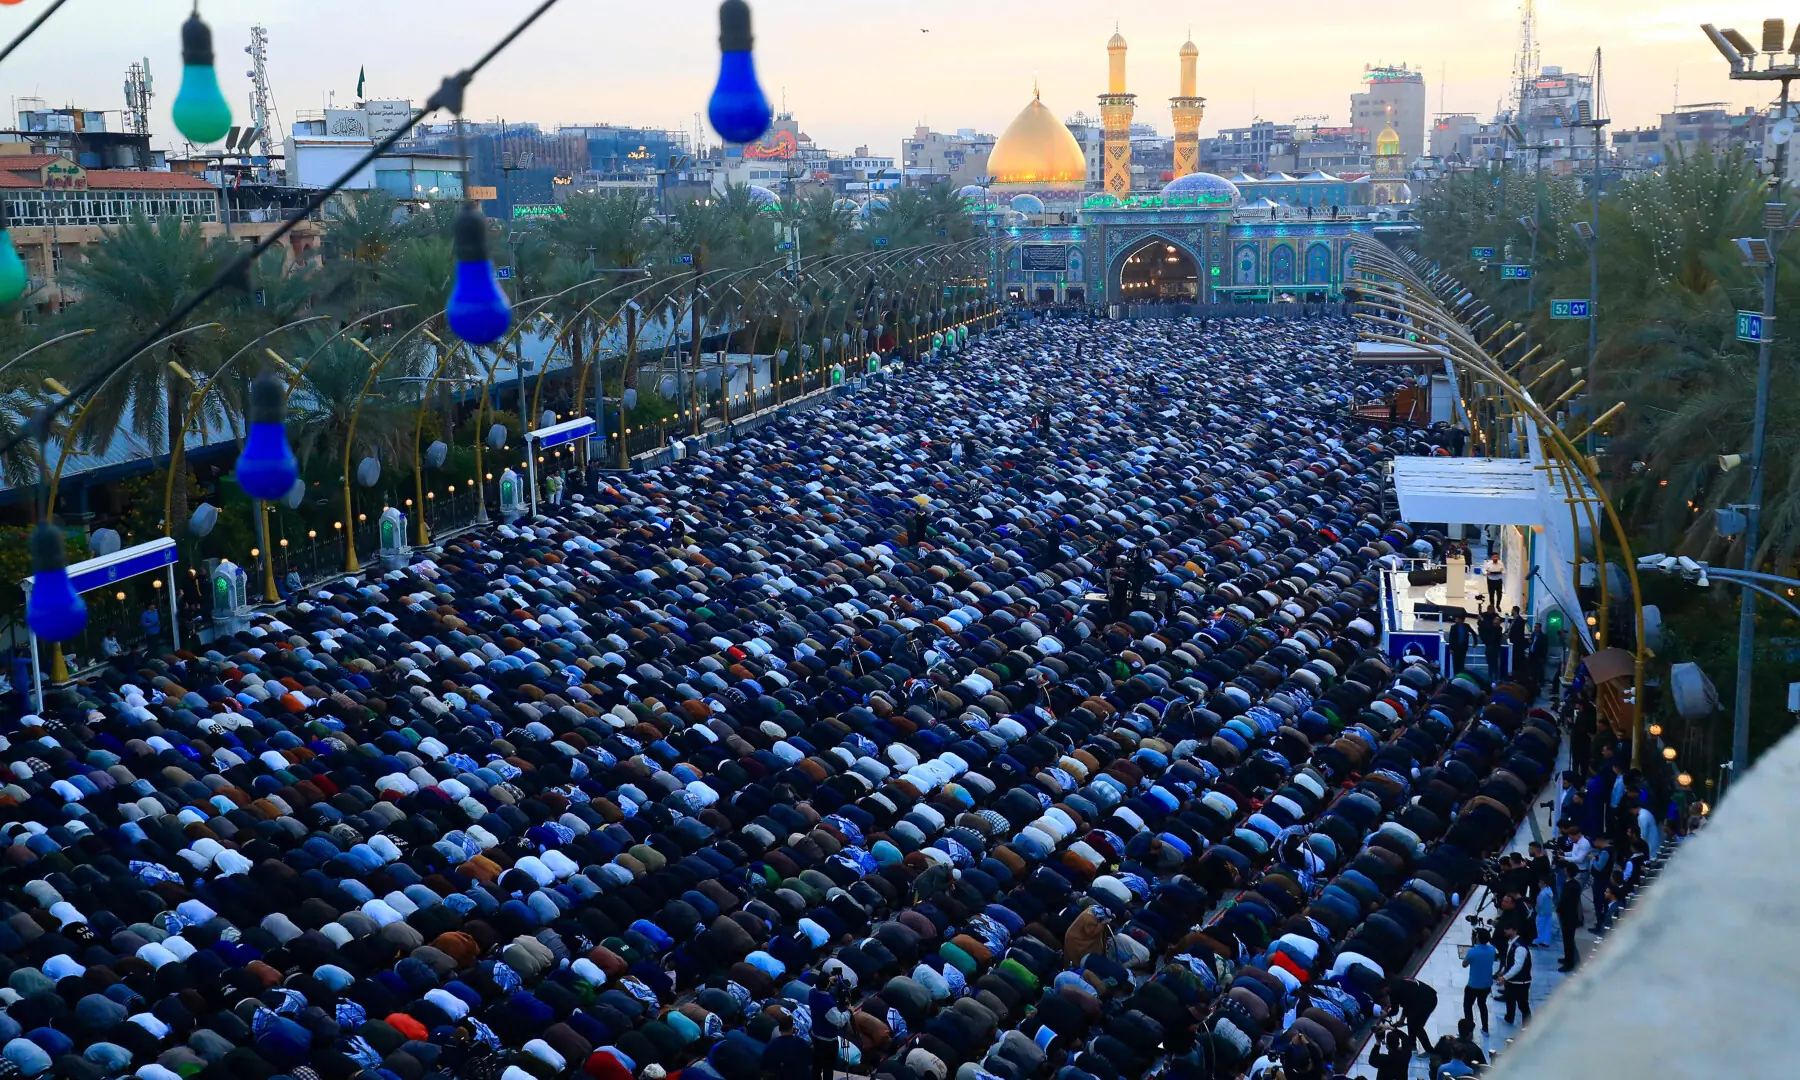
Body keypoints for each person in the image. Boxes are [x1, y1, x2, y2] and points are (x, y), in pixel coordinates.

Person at [1390, 976, 1438, 1055]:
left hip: (1427, 1000)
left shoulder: (1395, 991)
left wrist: (1384, 1015)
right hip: (1425, 997)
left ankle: (1429, 1051)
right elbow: (1407, 1005)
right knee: (1411, 1020)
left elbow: (1396, 1010)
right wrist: (1402, 1020)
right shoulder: (1401, 984)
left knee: (1417, 1026)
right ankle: (1412, 1046)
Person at [1460, 928, 1495, 1034]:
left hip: (1473, 985)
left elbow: (1464, 964)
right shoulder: (1492, 950)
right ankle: (1485, 1028)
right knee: (1482, 1004)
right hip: (1486, 984)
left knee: (1468, 1006)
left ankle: (1468, 1030)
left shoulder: (1472, 952)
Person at [1499, 923, 1532, 1025]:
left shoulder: (1520, 948)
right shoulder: (1511, 943)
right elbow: (1510, 960)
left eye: (1507, 929)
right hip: (1512, 980)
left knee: (1523, 1005)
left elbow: (1518, 966)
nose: (1505, 931)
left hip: (1520, 982)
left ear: (1514, 930)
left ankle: (1527, 1026)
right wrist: (1503, 970)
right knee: (1509, 999)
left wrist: (1505, 977)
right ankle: (1509, 1018)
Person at [764, 1015, 811, 1080]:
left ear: (779, 1028)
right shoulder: (801, 1043)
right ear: (792, 1028)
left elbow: (766, 1067)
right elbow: (809, 1060)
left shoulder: (771, 1045)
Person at [1478, 610, 1505, 678]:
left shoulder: (1498, 629)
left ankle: (1496, 678)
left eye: (1497, 619)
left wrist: (1482, 620)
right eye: (1495, 619)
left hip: (1495, 649)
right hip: (1489, 648)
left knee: (1495, 664)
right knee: (1490, 664)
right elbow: (1483, 628)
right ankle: (1490, 678)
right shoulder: (1490, 627)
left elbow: (1492, 629)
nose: (1495, 619)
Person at [1507, 606, 1528, 675]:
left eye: (1512, 610)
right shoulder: (1515, 620)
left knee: (1517, 660)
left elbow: (1518, 633)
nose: (1511, 611)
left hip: (1517, 644)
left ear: (1515, 611)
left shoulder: (1519, 620)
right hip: (1514, 643)